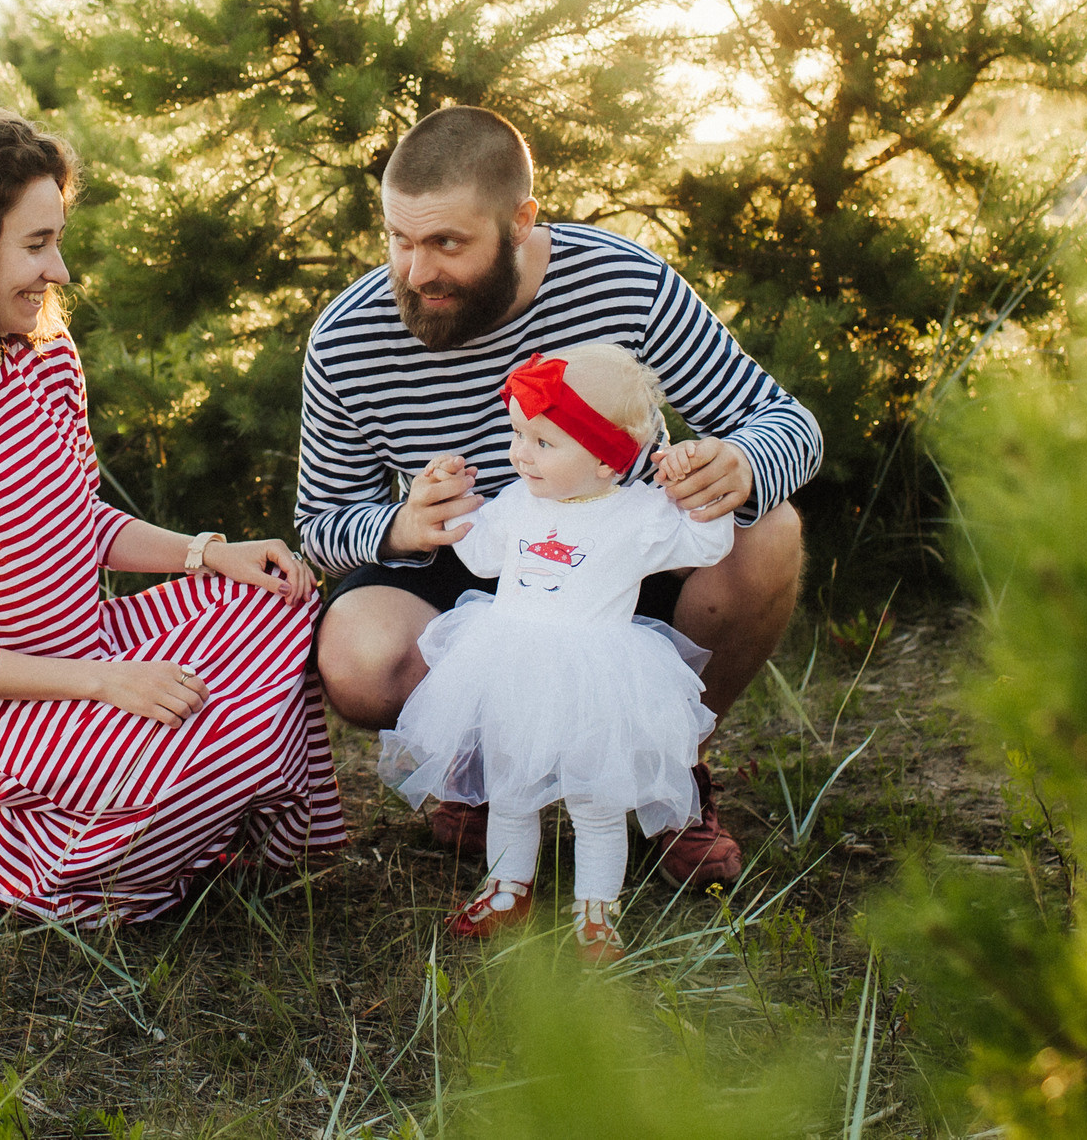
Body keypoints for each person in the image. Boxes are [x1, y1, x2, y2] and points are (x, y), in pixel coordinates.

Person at [0, 105, 345, 921]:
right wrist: (107, 685)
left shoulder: (45, 358)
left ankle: (241, 848)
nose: (60, 271)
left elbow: (78, 521)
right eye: (35, 246)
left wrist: (211, 553)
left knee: (278, 602)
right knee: (180, 755)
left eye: (57, 240)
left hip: (87, 646)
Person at [300, 104, 820, 885]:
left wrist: (743, 461)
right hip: (469, 561)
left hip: (618, 558)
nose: (416, 272)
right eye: (400, 240)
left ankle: (669, 770)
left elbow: (788, 423)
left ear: (520, 221)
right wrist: (402, 523)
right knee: (357, 650)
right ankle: (484, 773)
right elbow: (321, 524)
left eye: (448, 243)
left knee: (771, 528)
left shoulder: (623, 281)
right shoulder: (348, 338)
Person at [379, 344, 731, 962]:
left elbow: (704, 545)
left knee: (597, 803)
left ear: (605, 458)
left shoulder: (640, 514)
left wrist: (687, 482)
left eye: (543, 442)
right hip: (513, 666)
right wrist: (447, 496)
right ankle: (506, 888)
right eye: (517, 434)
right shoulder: (518, 501)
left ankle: (596, 910)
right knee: (512, 790)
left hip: (597, 679)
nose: (519, 453)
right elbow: (482, 556)